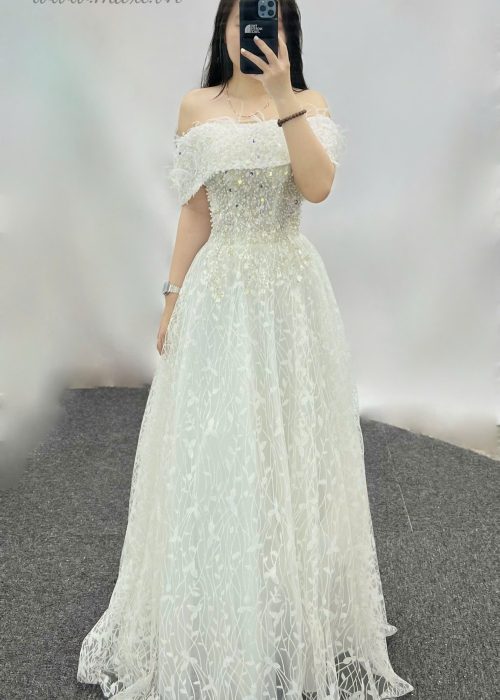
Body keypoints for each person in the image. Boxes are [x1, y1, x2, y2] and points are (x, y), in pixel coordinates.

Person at [77, 1, 415, 698]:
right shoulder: (195, 107)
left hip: (291, 294)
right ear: (222, 30)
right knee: (220, 444)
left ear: (288, 33)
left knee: (290, 440)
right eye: (242, 20)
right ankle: (224, 604)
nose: (254, 33)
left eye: (269, 21)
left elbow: (318, 187)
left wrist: (285, 97)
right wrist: (171, 296)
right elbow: (195, 209)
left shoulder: (309, 103)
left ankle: (287, 601)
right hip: (220, 292)